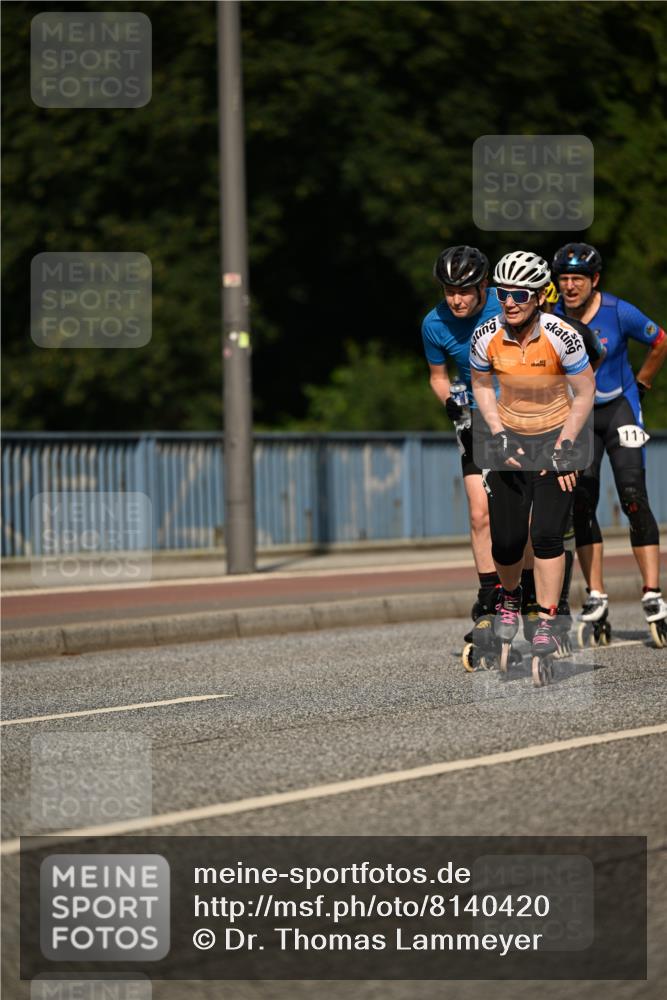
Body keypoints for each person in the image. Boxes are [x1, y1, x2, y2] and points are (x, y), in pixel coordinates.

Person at [470, 251, 596, 673]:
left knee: (545, 535)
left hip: (558, 437)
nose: (509, 302)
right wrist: (495, 429)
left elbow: (585, 393)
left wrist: (566, 447)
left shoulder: (563, 335)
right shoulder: (485, 334)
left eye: (519, 294)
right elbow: (481, 386)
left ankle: (544, 620)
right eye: (502, 293)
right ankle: (509, 598)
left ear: (539, 296)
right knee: (505, 541)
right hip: (506, 438)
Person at [551, 242, 667, 643]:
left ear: (594, 280)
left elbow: (661, 340)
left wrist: (645, 382)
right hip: (579, 417)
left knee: (633, 495)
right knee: (581, 502)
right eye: (563, 279)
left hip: (619, 406)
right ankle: (596, 595)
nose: (570, 287)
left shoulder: (620, 311)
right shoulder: (551, 317)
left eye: (577, 279)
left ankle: (652, 593)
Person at [421, 246, 503, 642]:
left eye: (465, 290)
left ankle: (536, 595)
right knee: (479, 514)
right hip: (476, 419)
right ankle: (489, 597)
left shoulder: (508, 308)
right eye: (449, 289)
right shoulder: (433, 324)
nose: (455, 298)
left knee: (523, 517)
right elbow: (438, 376)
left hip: (523, 415)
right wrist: (451, 404)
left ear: (482, 286)